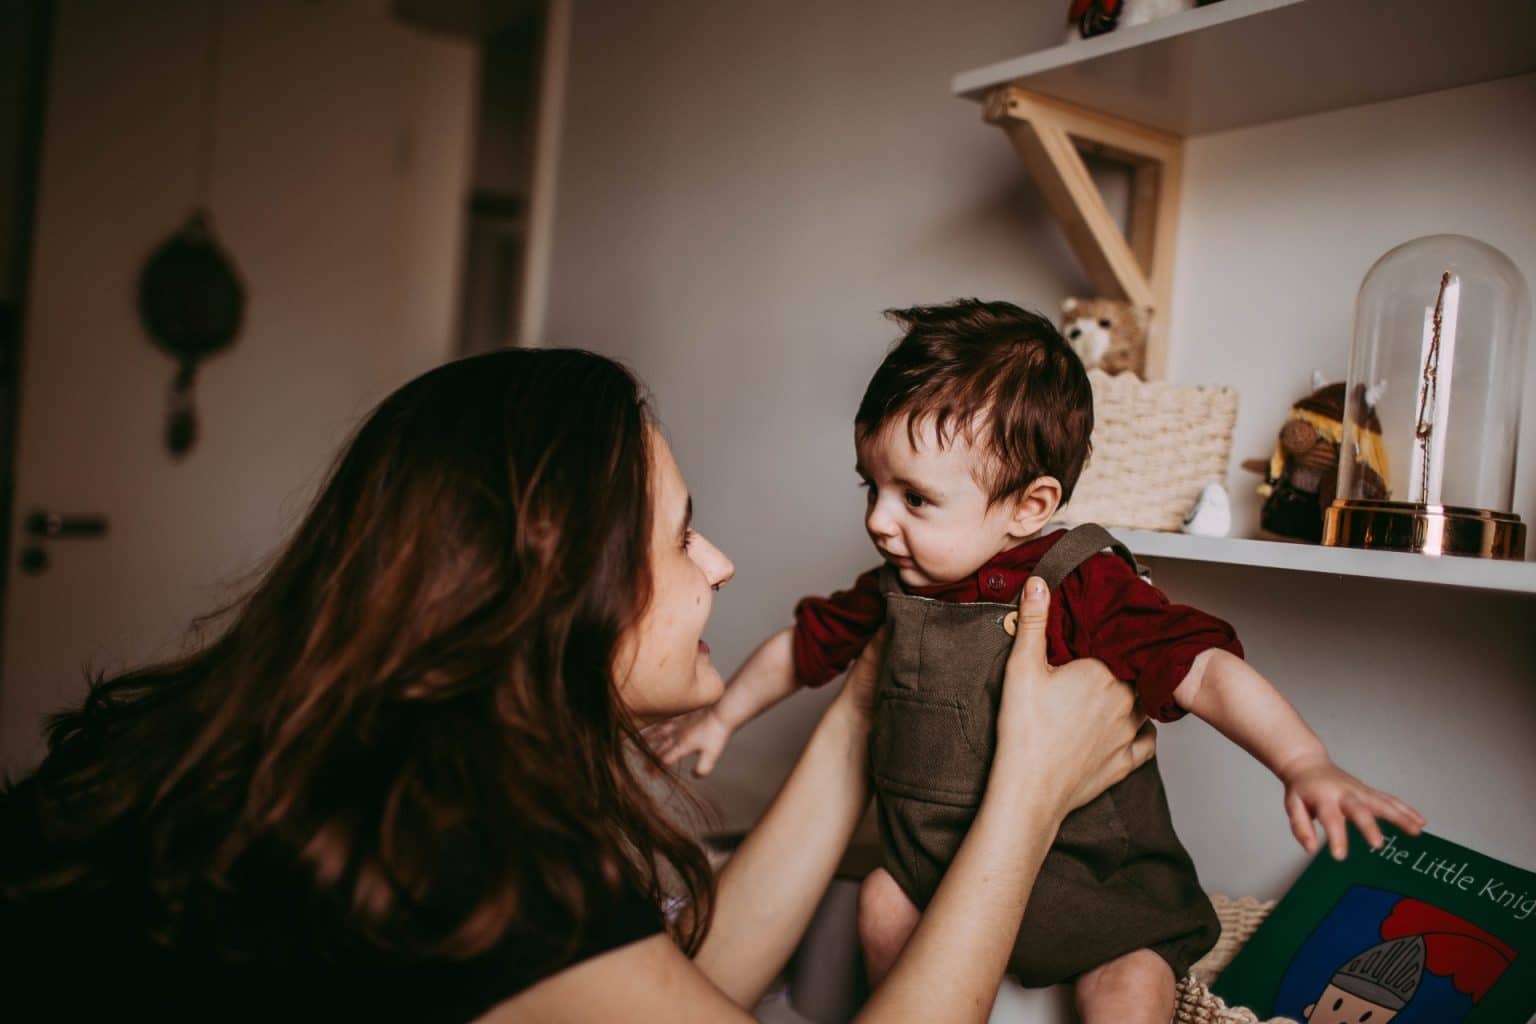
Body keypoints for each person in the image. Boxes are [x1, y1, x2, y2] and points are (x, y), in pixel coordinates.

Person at [0, 347, 1154, 1023]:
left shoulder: (379, 769)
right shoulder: (449, 845)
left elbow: (668, 985)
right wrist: (1028, 792)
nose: (719, 564)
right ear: (552, 586)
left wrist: (859, 709)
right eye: (680, 537)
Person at [649, 301, 1427, 1023]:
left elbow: (1206, 667)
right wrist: (722, 716)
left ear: (1028, 506)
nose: (879, 521)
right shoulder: (894, 589)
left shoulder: (1082, 582)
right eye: (872, 486)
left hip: (1094, 877)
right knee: (881, 903)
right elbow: (801, 647)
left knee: (1129, 982)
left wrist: (1305, 763)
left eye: (914, 498)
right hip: (943, 867)